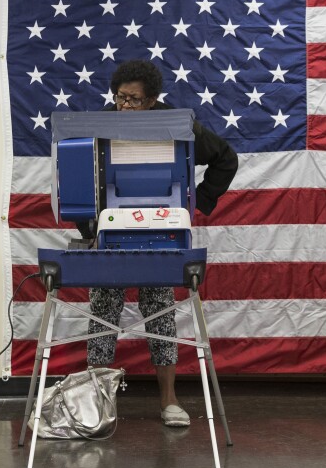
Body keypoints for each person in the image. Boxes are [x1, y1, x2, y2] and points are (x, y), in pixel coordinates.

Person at [80, 60, 238, 428]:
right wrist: (88, 224)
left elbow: (225, 159)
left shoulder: (177, 124)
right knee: (102, 314)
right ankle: (98, 402)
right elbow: (76, 177)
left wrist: (194, 204)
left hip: (160, 230)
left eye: (135, 100)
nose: (125, 107)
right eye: (120, 98)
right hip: (109, 232)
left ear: (152, 100)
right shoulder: (101, 123)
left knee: (160, 312)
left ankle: (168, 399)